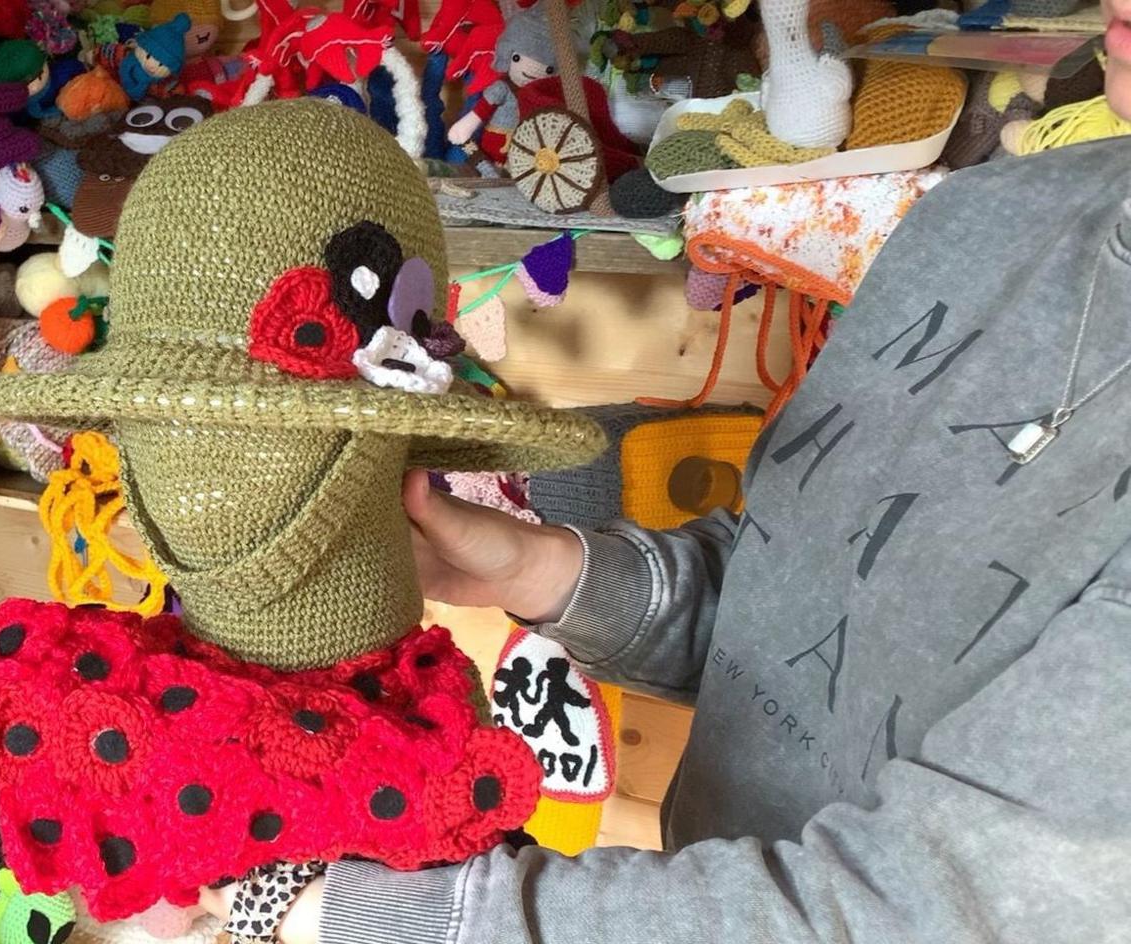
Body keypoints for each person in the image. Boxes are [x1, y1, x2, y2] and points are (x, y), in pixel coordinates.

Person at [203, 2, 1131, 939]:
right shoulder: (986, 217)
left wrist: (355, 920)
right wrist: (543, 572)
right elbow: (799, 591)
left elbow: (920, 915)